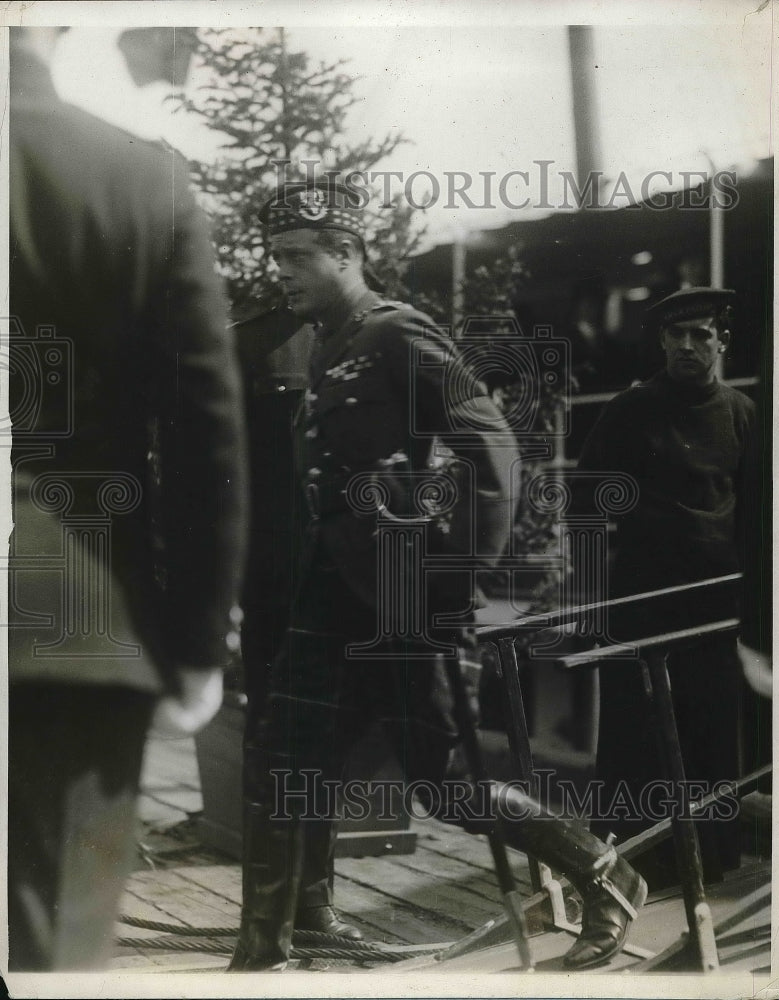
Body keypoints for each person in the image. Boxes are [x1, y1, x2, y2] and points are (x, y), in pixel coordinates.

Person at [227, 179, 647, 972]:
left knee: (445, 782)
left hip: (402, 593)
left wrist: (450, 579)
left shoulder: (395, 333)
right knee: (282, 765)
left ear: (346, 254)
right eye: (274, 255)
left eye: (296, 257)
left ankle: (605, 872)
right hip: (332, 592)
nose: (279, 270)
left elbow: (491, 448)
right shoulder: (328, 341)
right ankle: (261, 956)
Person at [6, 27, 247, 969]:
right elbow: (201, 422)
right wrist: (193, 644)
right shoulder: (138, 175)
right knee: (55, 947)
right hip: (73, 628)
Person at [578, 287, 756, 889]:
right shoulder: (630, 411)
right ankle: (633, 866)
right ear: (660, 341)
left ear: (721, 341)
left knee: (710, 728)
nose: (687, 345)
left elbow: (760, 515)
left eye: (700, 334)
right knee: (637, 732)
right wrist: (593, 601)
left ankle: (711, 860)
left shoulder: (741, 412)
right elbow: (587, 504)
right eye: (676, 335)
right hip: (642, 601)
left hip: (716, 605)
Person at [234, 300, 362, 939]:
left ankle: (313, 900)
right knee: (274, 739)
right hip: (275, 586)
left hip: (352, 578)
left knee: (332, 741)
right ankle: (271, 909)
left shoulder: (378, 333)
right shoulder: (250, 342)